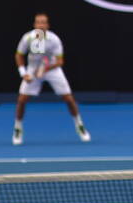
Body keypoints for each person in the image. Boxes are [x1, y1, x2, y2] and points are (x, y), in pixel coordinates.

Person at [13, 13, 90, 145]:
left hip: (52, 69)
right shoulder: (27, 38)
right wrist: (24, 73)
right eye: (38, 22)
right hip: (32, 69)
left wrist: (45, 69)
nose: (41, 25)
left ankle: (79, 125)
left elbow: (60, 61)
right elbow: (19, 55)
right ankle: (18, 128)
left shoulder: (54, 39)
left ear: (47, 25)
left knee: (69, 99)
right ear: (34, 25)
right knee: (22, 100)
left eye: (43, 23)